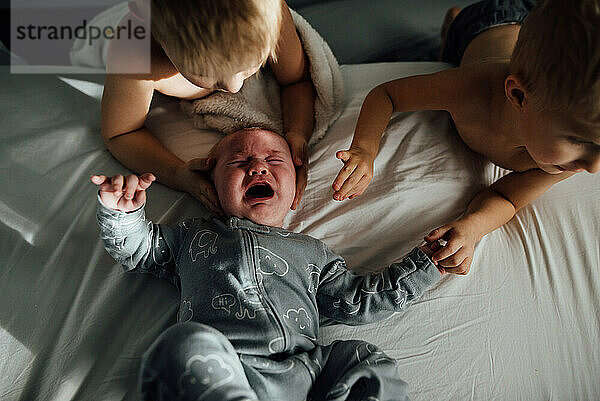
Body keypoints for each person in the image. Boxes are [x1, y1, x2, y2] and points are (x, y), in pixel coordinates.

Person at [91, 128, 445, 401]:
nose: (257, 166)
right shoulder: (192, 237)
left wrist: (427, 262)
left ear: (296, 187)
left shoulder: (313, 252)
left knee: (364, 360)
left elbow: (359, 300)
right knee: (181, 344)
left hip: (304, 370)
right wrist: (122, 212)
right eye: (238, 162)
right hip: (226, 366)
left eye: (274, 161)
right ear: (210, 185)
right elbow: (140, 249)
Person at [331, 0, 600, 275]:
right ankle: (453, 20)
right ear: (518, 96)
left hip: (523, 32)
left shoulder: (569, 162)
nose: (593, 167)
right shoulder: (470, 90)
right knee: (447, 53)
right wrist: (365, 149)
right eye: (581, 141)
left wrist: (474, 226)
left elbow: (507, 198)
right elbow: (387, 95)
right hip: (486, 22)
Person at [101, 0, 315, 216]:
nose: (234, 87)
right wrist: (177, 174)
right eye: (204, 75)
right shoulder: (135, 52)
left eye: (252, 64)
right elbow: (121, 134)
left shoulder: (271, 12)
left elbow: (296, 80)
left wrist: (298, 131)